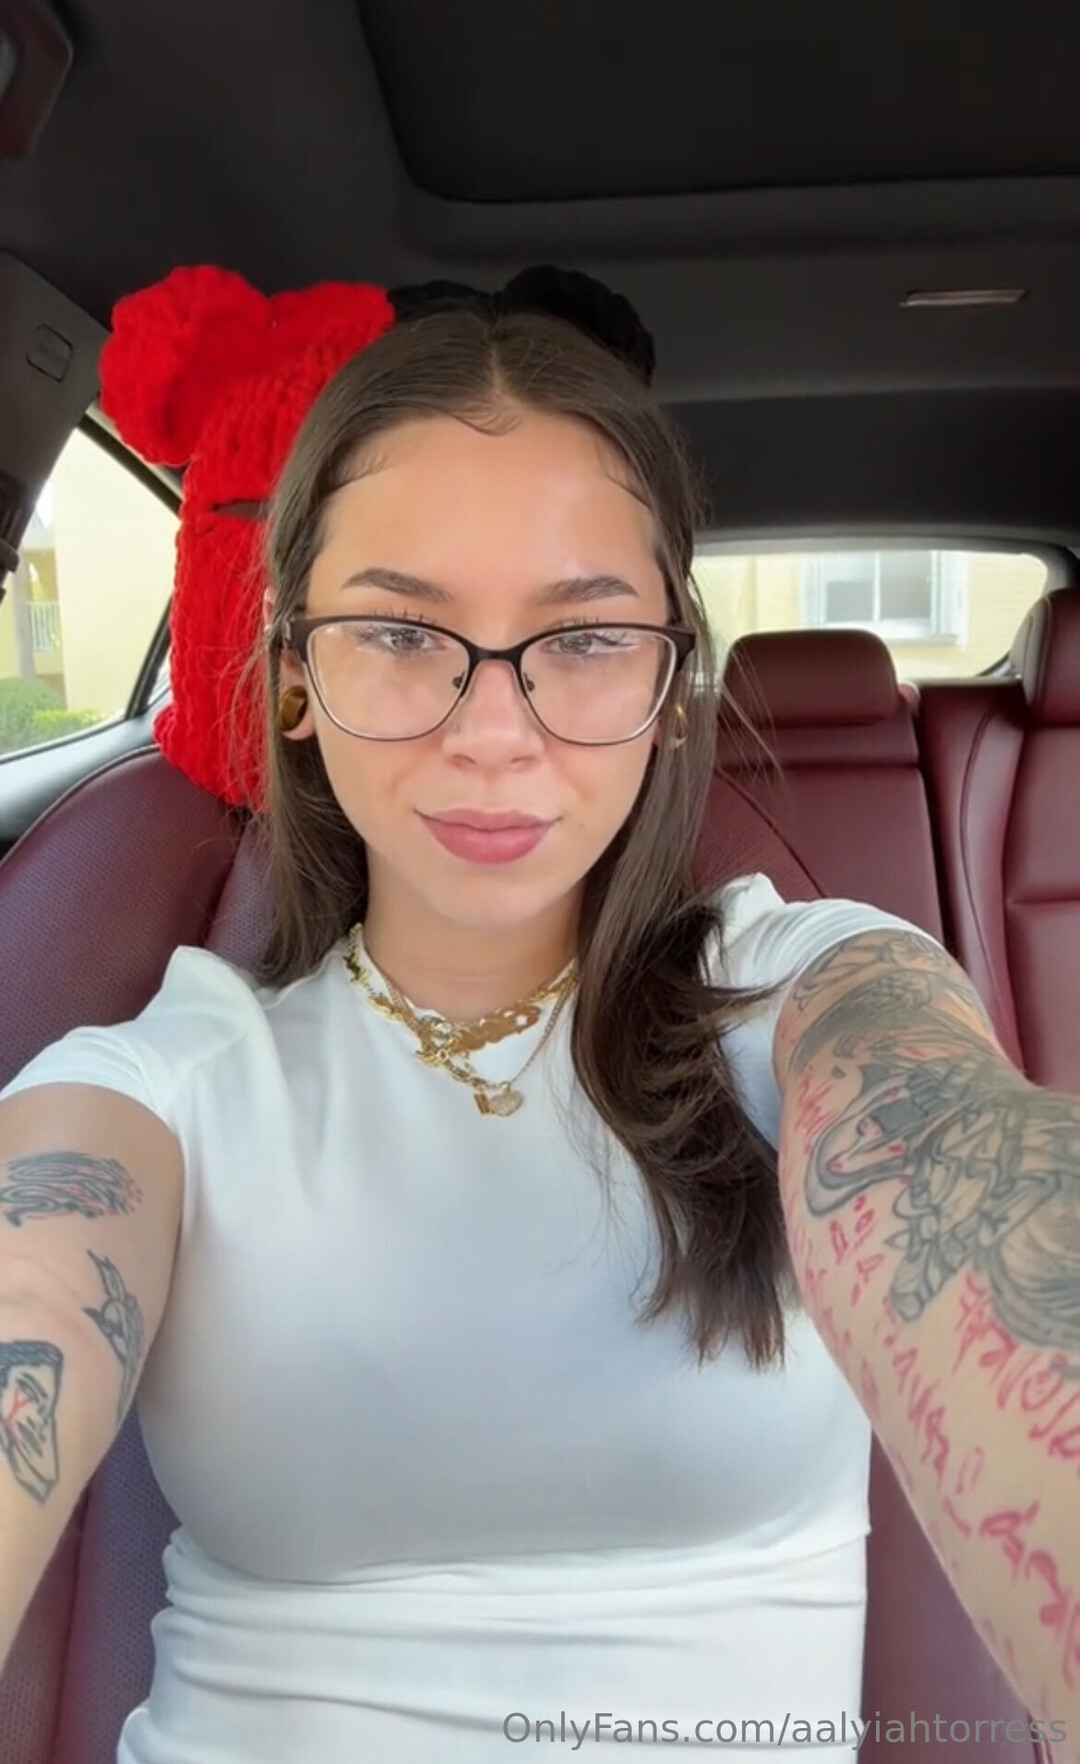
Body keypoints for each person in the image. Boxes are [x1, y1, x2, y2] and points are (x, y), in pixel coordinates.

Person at [0, 270, 1077, 1763]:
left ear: (673, 686)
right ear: (294, 671)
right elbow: (40, 1280)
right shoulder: (168, 1083)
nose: (492, 733)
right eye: (398, 632)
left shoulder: (806, 996)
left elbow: (967, 1175)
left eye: (583, 638)